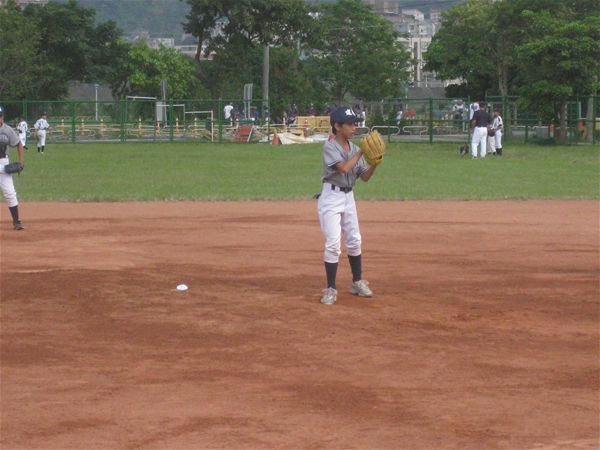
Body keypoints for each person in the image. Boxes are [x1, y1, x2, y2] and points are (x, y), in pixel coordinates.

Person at [317, 106, 378, 305]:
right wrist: (361, 152)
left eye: (355, 124)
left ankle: (357, 282)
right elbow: (343, 168)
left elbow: (364, 177)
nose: (354, 127)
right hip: (331, 197)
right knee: (333, 244)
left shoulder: (353, 148)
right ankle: (331, 288)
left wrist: (375, 163)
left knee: (354, 240)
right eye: (350, 124)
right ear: (337, 126)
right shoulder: (330, 147)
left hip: (348, 197)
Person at [0, 106, 25, 230]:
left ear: (3, 117)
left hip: (3, 163)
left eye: (0, 116)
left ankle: (16, 221)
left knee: (10, 193)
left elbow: (19, 143)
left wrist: (21, 161)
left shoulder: (7, 130)